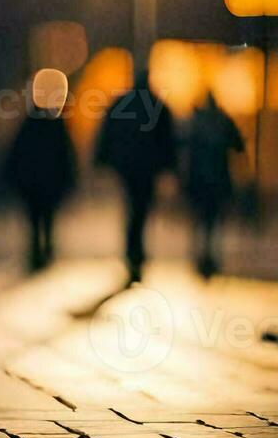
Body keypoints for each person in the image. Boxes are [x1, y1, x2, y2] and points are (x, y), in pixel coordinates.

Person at [96, 71, 177, 283]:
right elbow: (167, 139)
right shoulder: (156, 104)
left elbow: (108, 131)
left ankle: (133, 254)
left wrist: (104, 159)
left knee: (134, 210)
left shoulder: (124, 102)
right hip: (146, 168)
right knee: (140, 211)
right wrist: (169, 165)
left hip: (128, 167)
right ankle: (136, 254)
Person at [4, 102, 77, 271]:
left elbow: (15, 155)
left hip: (32, 184)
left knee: (34, 220)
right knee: (47, 218)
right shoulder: (55, 125)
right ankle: (47, 249)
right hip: (49, 182)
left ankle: (37, 252)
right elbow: (65, 154)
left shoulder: (26, 127)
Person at [184, 93, 245, 278]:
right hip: (217, 179)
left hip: (200, 181)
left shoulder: (196, 123)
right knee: (214, 220)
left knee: (200, 219)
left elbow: (186, 149)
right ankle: (210, 254)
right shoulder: (222, 122)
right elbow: (239, 145)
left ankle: (201, 253)